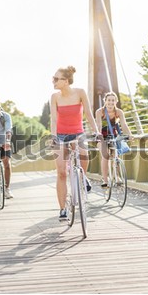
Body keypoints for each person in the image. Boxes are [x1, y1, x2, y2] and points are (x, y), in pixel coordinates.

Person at [50, 65, 100, 221]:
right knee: (61, 172)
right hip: (61, 135)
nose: (54, 81)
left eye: (56, 79)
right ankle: (63, 209)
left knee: (84, 154)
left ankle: (83, 177)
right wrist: (53, 136)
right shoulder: (55, 97)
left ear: (66, 81)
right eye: (53, 79)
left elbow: (89, 115)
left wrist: (96, 131)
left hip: (78, 133)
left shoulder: (80, 93)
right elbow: (54, 119)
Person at [95, 91, 133, 187]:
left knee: (115, 154)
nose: (110, 102)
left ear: (116, 101)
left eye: (113, 100)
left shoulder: (119, 112)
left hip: (114, 136)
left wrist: (129, 134)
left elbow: (123, 124)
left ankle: (118, 176)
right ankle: (105, 179)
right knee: (105, 156)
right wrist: (99, 136)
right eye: (109, 100)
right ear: (105, 101)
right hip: (102, 136)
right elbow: (99, 125)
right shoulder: (100, 112)